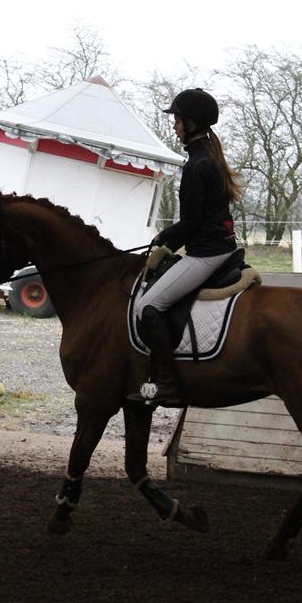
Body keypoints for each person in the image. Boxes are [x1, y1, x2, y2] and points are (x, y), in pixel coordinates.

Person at [129, 88, 243, 407]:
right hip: (219, 246)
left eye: (178, 119)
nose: (175, 125)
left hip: (206, 253)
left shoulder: (197, 165)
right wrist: (167, 241)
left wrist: (162, 241)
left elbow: (191, 223)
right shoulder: (207, 156)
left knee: (147, 307)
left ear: (191, 123)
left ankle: (167, 385)